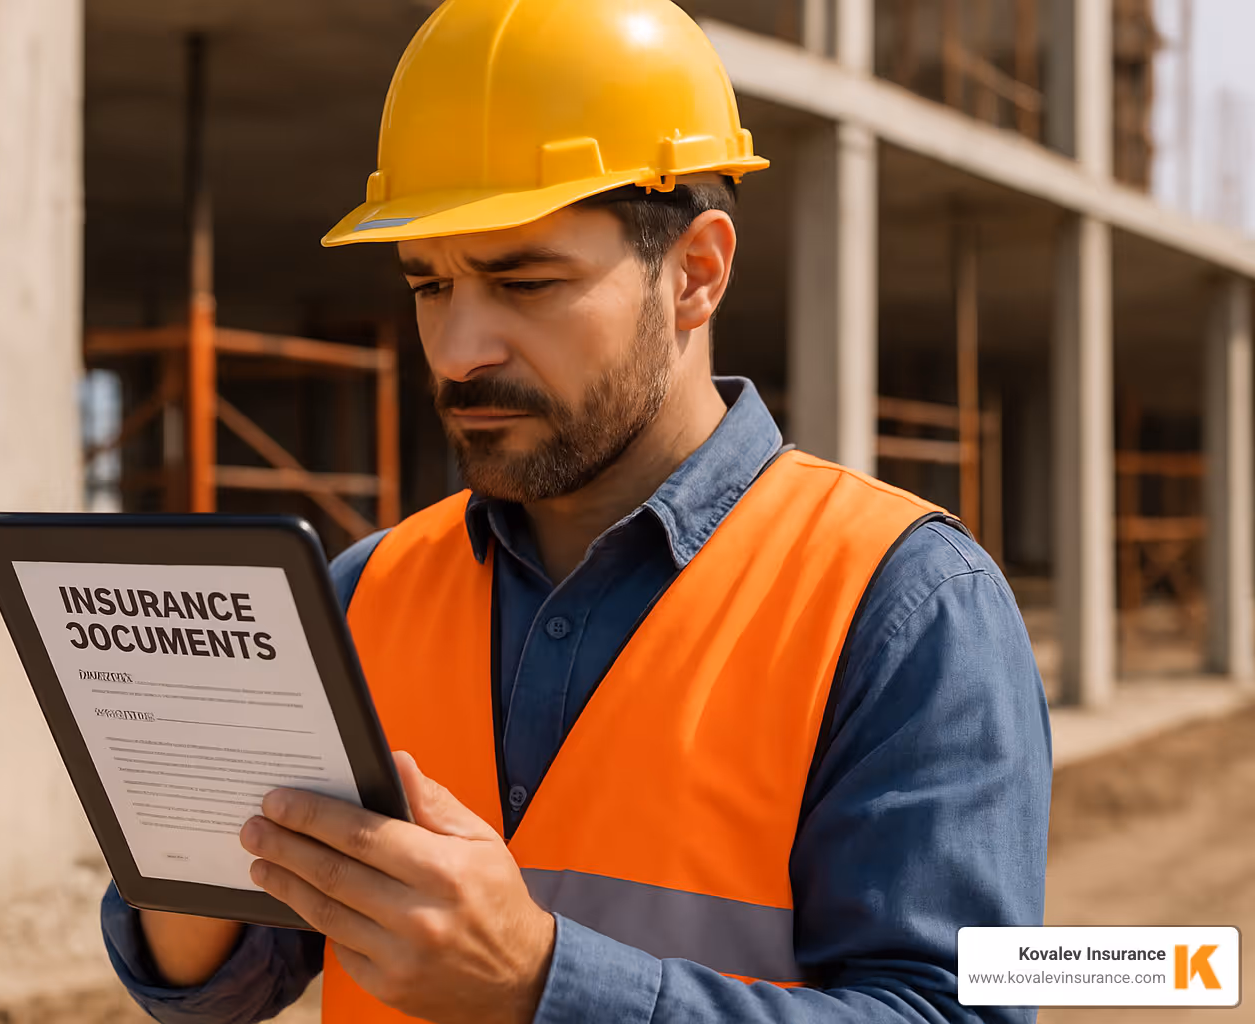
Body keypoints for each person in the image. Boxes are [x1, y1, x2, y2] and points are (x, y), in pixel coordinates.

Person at [101, 0, 1051, 1021]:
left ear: (696, 272)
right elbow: (220, 985)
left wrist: (540, 983)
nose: (460, 349)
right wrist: (178, 830)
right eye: (429, 284)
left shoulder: (904, 605)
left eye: (525, 280)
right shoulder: (364, 590)